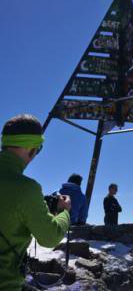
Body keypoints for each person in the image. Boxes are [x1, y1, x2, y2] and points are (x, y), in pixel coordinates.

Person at [0, 114, 71, 290]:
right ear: (32, 148)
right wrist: (65, 212)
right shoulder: (26, 188)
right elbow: (50, 237)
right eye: (39, 149)